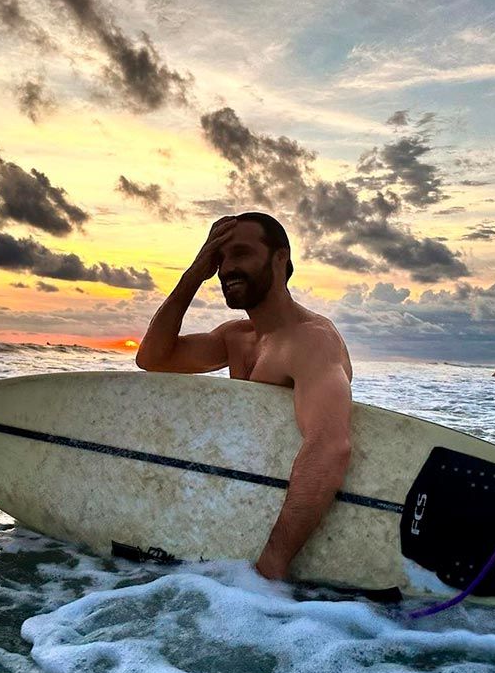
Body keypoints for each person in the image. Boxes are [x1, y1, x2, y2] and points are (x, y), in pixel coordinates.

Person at [135, 212, 353, 581]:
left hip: (282, 549)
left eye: (241, 253)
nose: (226, 269)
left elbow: (330, 448)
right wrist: (193, 275)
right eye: (220, 259)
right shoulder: (235, 337)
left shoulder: (312, 341)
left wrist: (271, 566)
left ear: (280, 258)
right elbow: (153, 358)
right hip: (248, 527)